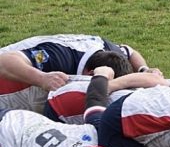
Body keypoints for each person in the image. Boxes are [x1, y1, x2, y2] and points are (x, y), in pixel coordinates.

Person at [0, 34, 160, 112]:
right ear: (91, 74)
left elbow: (130, 51)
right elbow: (4, 62)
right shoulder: (58, 57)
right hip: (9, 77)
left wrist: (144, 70)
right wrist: (43, 78)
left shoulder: (113, 53)